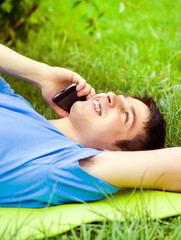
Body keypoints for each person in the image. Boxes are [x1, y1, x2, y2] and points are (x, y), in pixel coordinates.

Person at [0, 44, 181, 208]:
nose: (112, 95)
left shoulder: (61, 164)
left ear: (115, 154)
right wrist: (42, 75)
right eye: (121, 97)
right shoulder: (15, 103)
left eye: (126, 115)